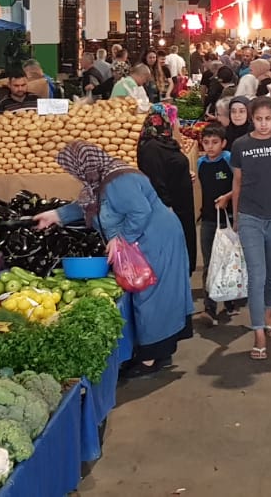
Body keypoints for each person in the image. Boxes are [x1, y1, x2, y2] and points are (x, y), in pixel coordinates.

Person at [38, 141, 193, 380]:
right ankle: (159, 350)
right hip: (145, 241)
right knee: (153, 294)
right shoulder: (101, 180)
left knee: (150, 295)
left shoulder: (119, 181)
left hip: (155, 240)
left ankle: (150, 359)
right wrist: (56, 215)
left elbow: (140, 212)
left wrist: (121, 239)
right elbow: (89, 207)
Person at [228, 96, 271, 360]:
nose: (264, 124)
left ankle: (268, 314)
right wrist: (236, 216)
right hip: (249, 216)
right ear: (251, 119)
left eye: (268, 119)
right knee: (257, 275)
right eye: (259, 119)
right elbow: (237, 181)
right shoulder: (240, 145)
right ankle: (258, 331)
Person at [137, 110, 197, 275]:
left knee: (182, 249)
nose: (176, 124)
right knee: (173, 255)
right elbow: (155, 179)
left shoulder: (165, 143)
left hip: (180, 205)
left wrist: (184, 174)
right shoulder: (151, 148)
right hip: (170, 209)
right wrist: (166, 207)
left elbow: (170, 168)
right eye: (173, 121)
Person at [196, 124, 239, 321]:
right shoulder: (200, 163)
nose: (210, 147)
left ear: (224, 143)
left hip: (227, 220)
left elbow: (241, 184)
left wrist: (228, 197)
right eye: (206, 143)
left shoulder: (229, 160)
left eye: (215, 142)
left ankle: (230, 300)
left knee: (229, 261)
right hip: (208, 220)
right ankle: (209, 307)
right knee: (209, 263)